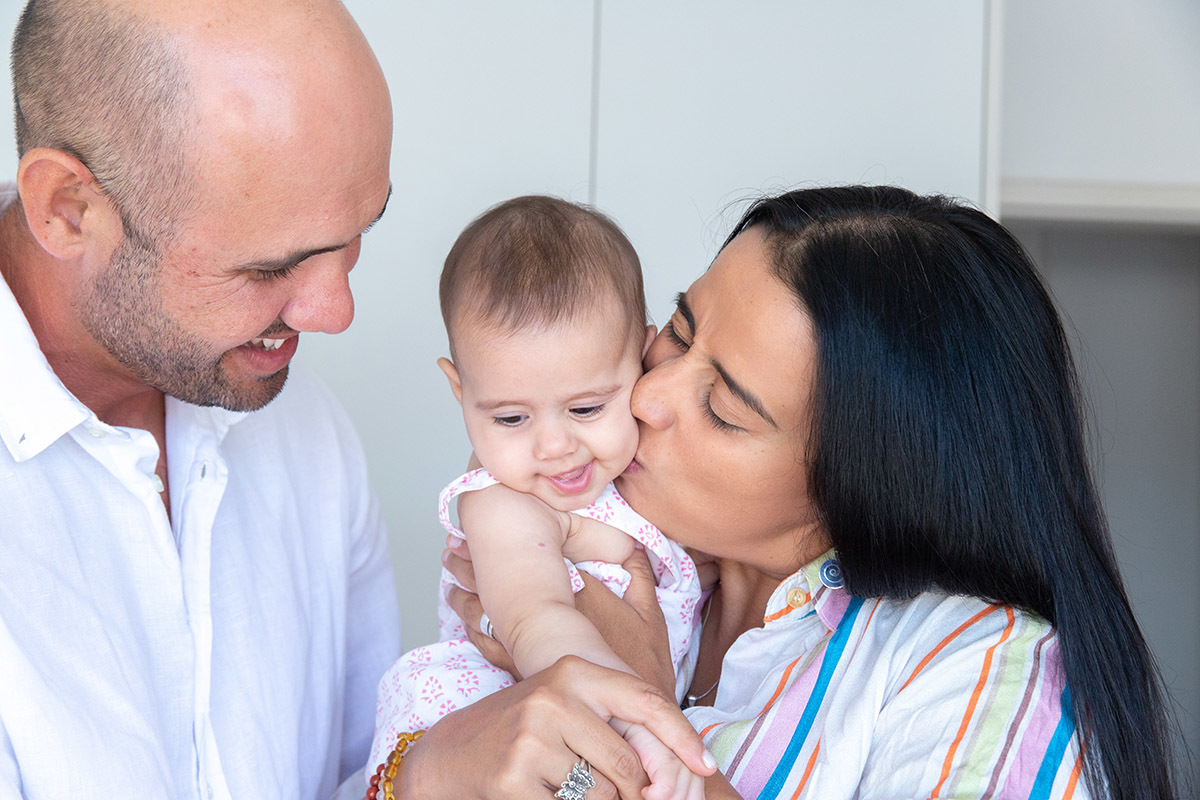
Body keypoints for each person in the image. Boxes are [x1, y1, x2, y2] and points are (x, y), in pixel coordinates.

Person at [385, 186, 1179, 799]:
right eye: (678, 333)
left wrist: (634, 709)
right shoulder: (603, 544)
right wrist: (428, 770)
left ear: (858, 479)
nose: (648, 397)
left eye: (724, 409)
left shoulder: (975, 665)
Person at [0, 0, 400, 798]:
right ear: (67, 210)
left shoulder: (303, 427)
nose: (335, 313)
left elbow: (364, 769)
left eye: (357, 235)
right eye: (268, 267)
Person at [369, 196, 707, 800]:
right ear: (460, 390)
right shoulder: (503, 502)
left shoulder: (640, 474)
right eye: (511, 418)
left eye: (586, 408)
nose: (555, 447)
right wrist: (643, 722)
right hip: (500, 729)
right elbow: (536, 620)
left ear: (642, 359)